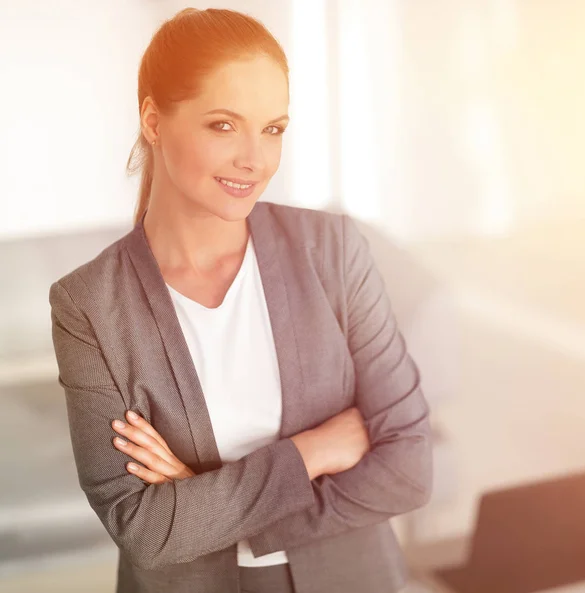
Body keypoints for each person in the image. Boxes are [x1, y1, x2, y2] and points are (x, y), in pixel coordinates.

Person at [48, 7, 432, 593]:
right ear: (154, 121)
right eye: (223, 125)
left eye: (273, 128)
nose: (255, 159)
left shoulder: (331, 249)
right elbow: (144, 526)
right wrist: (311, 452)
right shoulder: (90, 306)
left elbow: (408, 471)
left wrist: (203, 493)